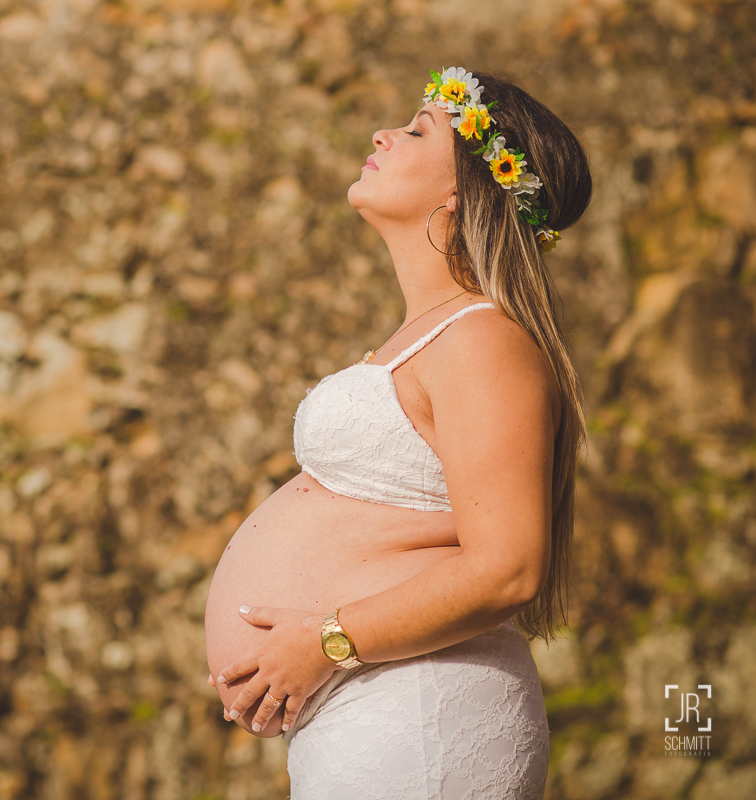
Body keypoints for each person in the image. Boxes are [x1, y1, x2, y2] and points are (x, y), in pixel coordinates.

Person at [202, 67, 593, 799]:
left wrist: (329, 641)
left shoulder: (483, 339)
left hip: (423, 712)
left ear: (462, 192)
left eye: (417, 130)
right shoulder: (438, 333)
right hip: (388, 709)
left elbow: (508, 568)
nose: (384, 134)